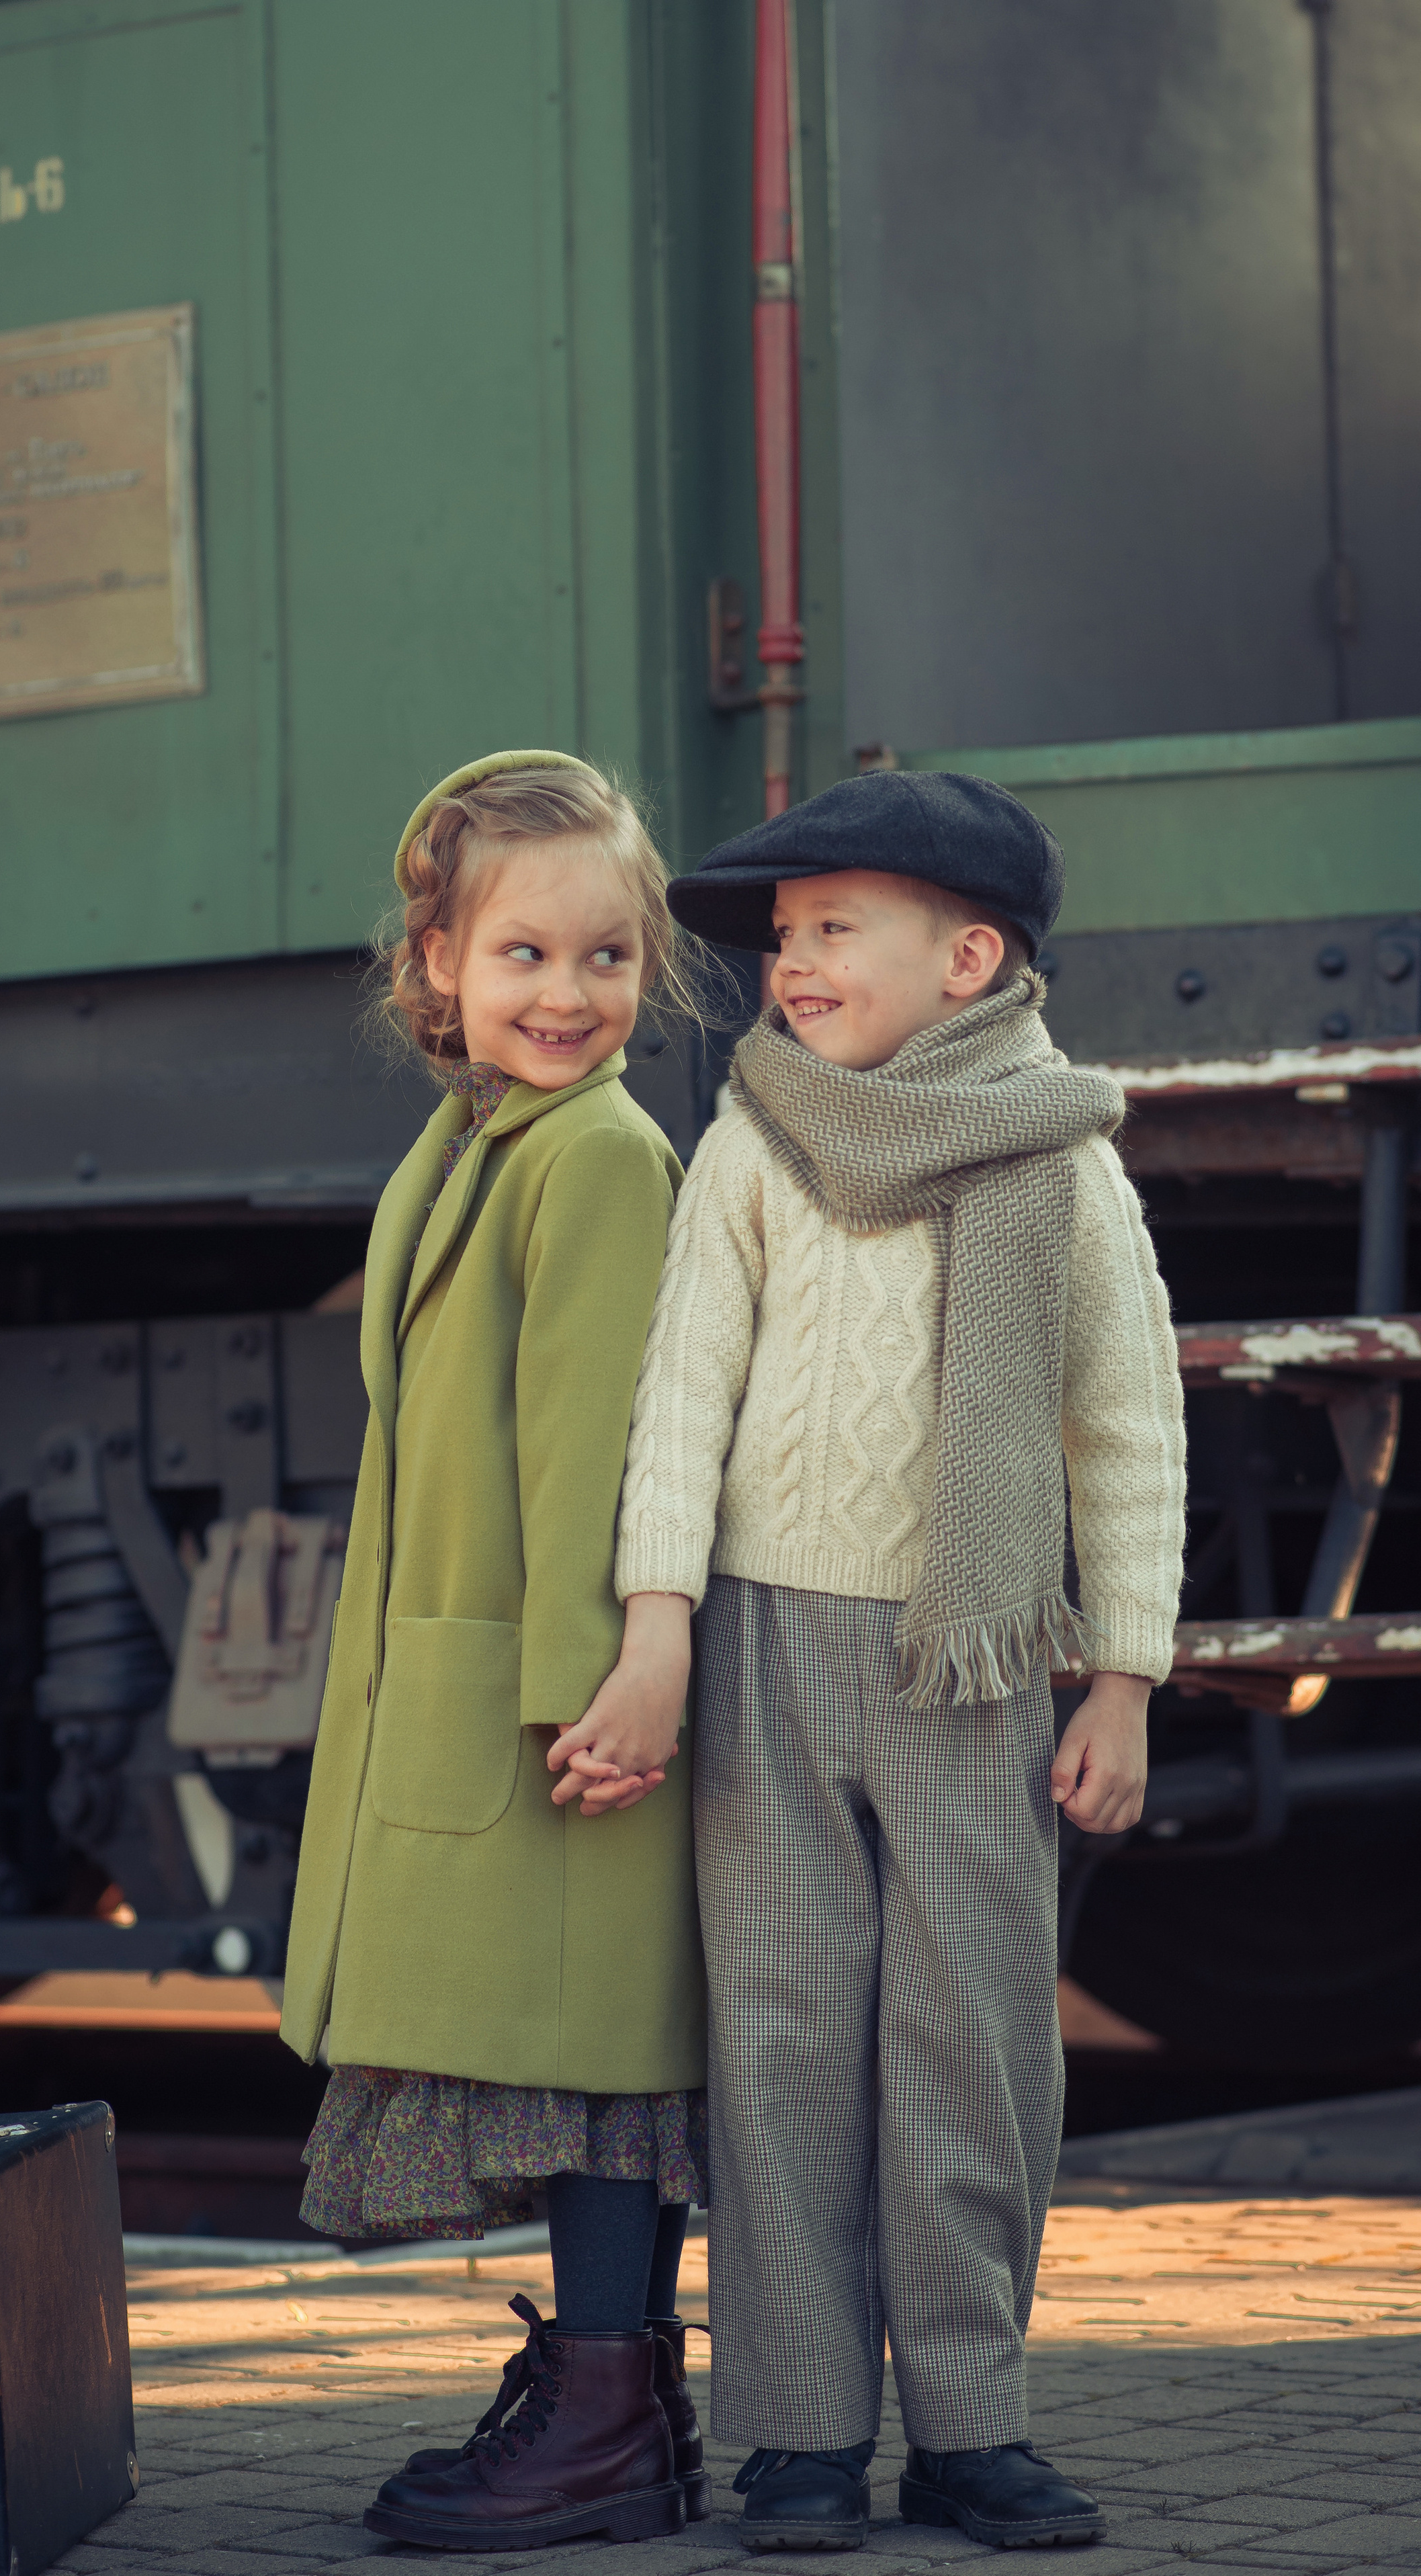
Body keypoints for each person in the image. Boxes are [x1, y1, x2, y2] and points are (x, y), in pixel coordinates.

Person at [593, 770, 1187, 2552]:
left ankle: (971, 2424)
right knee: (780, 2036)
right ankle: (797, 2433)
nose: (791, 963)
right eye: (783, 935)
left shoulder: (1062, 1159)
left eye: (833, 928)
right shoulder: (755, 1140)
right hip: (767, 1642)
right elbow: (680, 1398)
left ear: (970, 958)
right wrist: (658, 1621)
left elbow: (1124, 1426)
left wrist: (1125, 1679)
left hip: (972, 1655)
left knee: (972, 2040)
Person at [281, 750, 712, 2554]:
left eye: (609, 956)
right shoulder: (480, 1137)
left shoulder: (597, 1154)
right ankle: (617, 2404)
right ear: (439, 962)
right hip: (492, 1671)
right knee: (575, 2046)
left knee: (598, 2051)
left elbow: (596, 1446)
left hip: (569, 1698)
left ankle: (609, 2415)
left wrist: (602, 1690)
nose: (570, 994)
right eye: (526, 954)